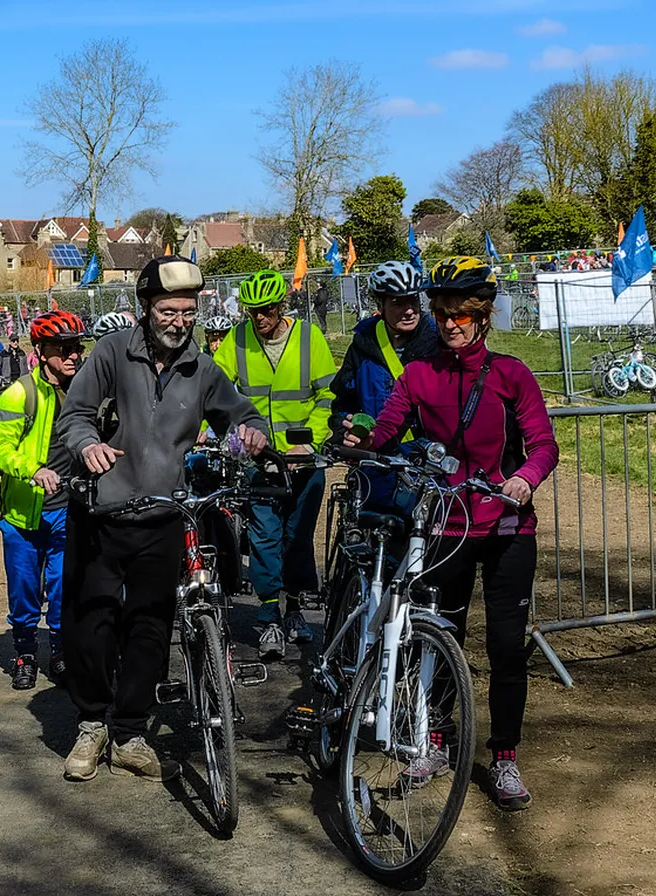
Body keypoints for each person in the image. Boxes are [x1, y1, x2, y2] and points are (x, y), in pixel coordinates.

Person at [344, 255, 560, 812]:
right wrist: (359, 437)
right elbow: (387, 429)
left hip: (507, 527)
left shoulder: (513, 374)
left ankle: (505, 756)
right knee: (442, 641)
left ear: (483, 317)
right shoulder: (419, 375)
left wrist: (523, 478)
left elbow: (543, 444)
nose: (451, 325)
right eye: (443, 315)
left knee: (507, 647)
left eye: (462, 315)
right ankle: (436, 742)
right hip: (446, 526)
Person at [56, 255, 269, 783]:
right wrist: (87, 448)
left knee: (150, 629)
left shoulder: (202, 368)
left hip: (163, 516)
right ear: (146, 308)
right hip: (102, 514)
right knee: (93, 625)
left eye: (188, 311)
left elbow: (240, 414)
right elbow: (75, 415)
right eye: (168, 310)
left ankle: (129, 731)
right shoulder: (110, 352)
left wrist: (254, 433)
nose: (179, 320)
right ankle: (90, 725)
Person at [212, 269, 335, 658]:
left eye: (266, 310)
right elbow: (211, 388)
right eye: (252, 312)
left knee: (296, 537)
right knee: (264, 536)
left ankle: (295, 608)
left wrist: (310, 441)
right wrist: (204, 427)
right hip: (259, 459)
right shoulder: (238, 338)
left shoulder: (308, 337)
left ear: (282, 306)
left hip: (303, 459)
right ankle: (268, 618)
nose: (259, 319)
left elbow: (329, 395)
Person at [0, 311, 87, 690]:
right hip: (23, 512)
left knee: (63, 587)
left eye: (77, 347)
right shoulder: (20, 393)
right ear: (41, 351)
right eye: (63, 348)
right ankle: (25, 654)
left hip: (69, 509)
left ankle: (60, 653)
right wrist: (32, 470)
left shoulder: (87, 390)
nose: (73, 355)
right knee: (25, 590)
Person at [331, 261, 439, 511]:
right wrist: (343, 433)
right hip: (374, 462)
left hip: (427, 464)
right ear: (380, 305)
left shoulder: (437, 343)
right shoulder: (363, 344)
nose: (409, 310)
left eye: (413, 300)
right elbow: (342, 402)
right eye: (397, 303)